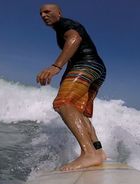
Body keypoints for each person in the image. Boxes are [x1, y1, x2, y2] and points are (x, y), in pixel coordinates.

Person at [37, 4, 107, 171]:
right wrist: (65, 76)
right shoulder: (61, 29)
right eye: (41, 13)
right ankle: (99, 151)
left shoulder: (64, 24)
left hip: (87, 64)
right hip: (98, 69)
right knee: (78, 111)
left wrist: (56, 66)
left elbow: (74, 39)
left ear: (58, 13)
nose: (43, 15)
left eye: (47, 11)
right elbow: (73, 55)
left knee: (62, 103)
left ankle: (88, 153)